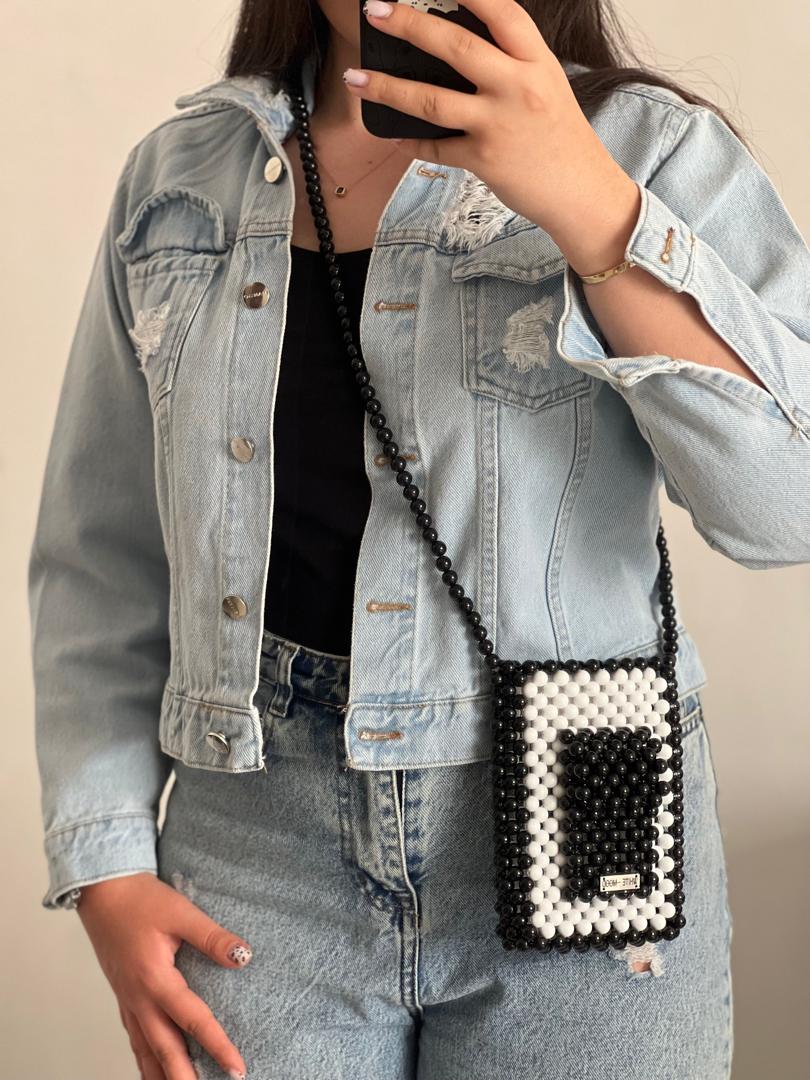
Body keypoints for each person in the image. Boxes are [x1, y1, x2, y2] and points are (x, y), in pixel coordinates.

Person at [28, 2, 810, 1078]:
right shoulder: (182, 179)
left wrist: (591, 205)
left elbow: (785, 507)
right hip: (255, 838)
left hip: (584, 806)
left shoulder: (648, 150)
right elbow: (101, 550)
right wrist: (106, 858)